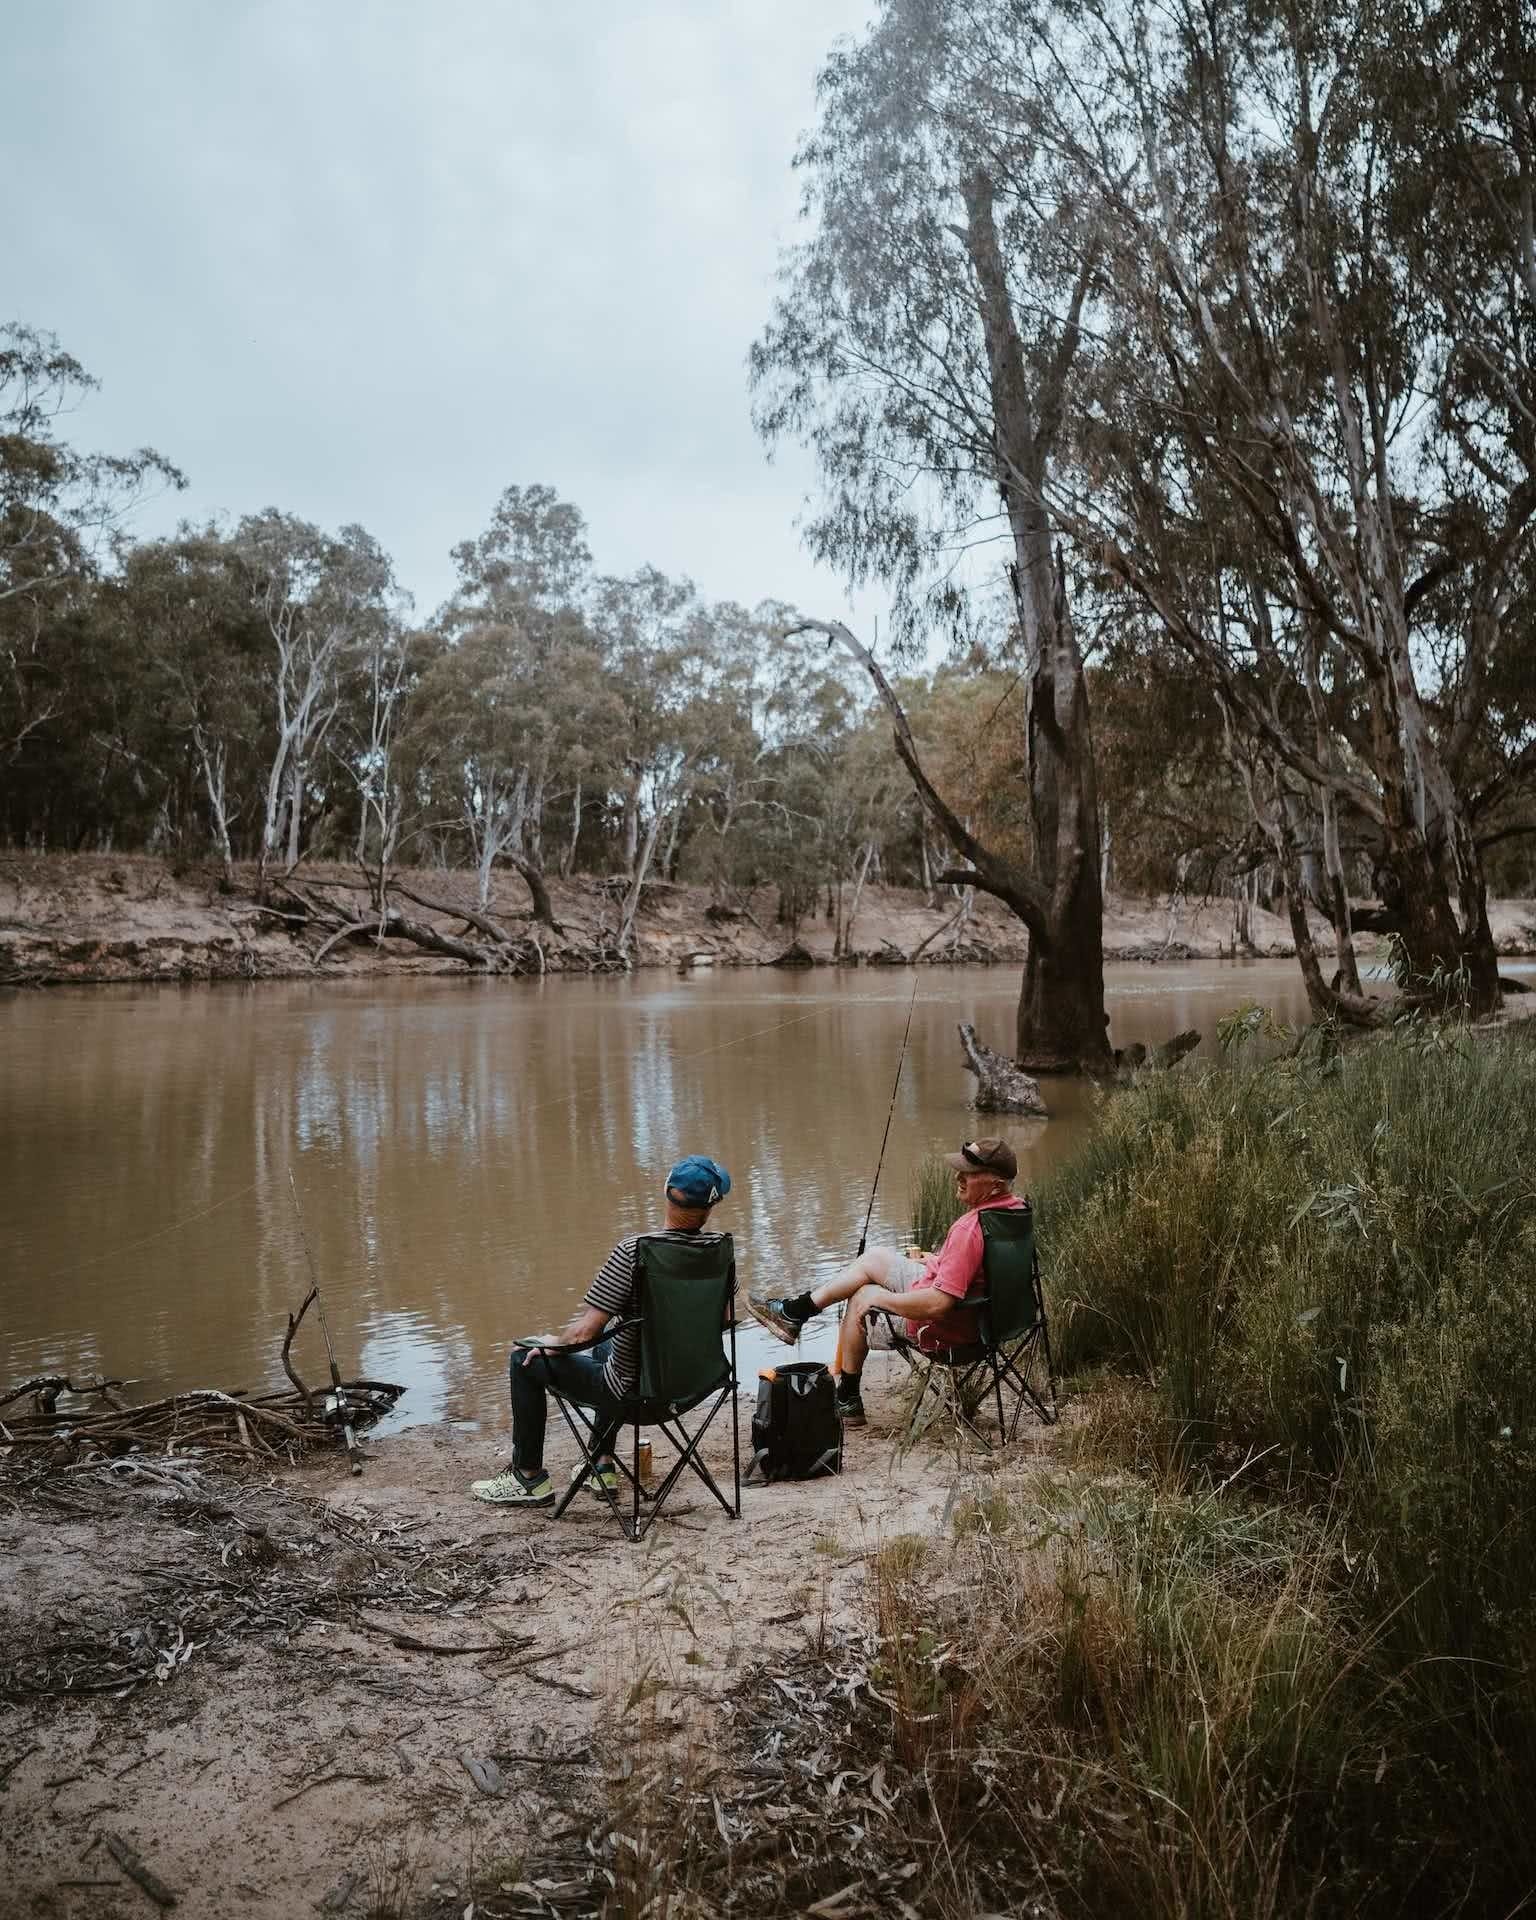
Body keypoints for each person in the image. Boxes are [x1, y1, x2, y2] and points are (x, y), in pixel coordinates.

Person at [470, 1154, 734, 1507]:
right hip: (692, 1389)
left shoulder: (636, 1251)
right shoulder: (720, 1252)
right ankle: (601, 1462)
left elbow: (584, 1333)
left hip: (633, 1396)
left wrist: (552, 1344)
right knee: (607, 1351)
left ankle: (528, 1478)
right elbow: (727, 1319)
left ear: (667, 1191)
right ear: (711, 1206)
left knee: (524, 1358)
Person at [746, 1138, 1025, 1426]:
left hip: (949, 1331)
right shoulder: (1016, 1213)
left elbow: (939, 1304)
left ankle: (848, 1400)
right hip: (989, 1321)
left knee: (861, 1296)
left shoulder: (970, 1229)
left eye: (969, 1172)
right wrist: (936, 1261)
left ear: (996, 1184)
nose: (958, 1177)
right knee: (875, 1258)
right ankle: (796, 1311)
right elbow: (978, 1273)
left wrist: (879, 1299)